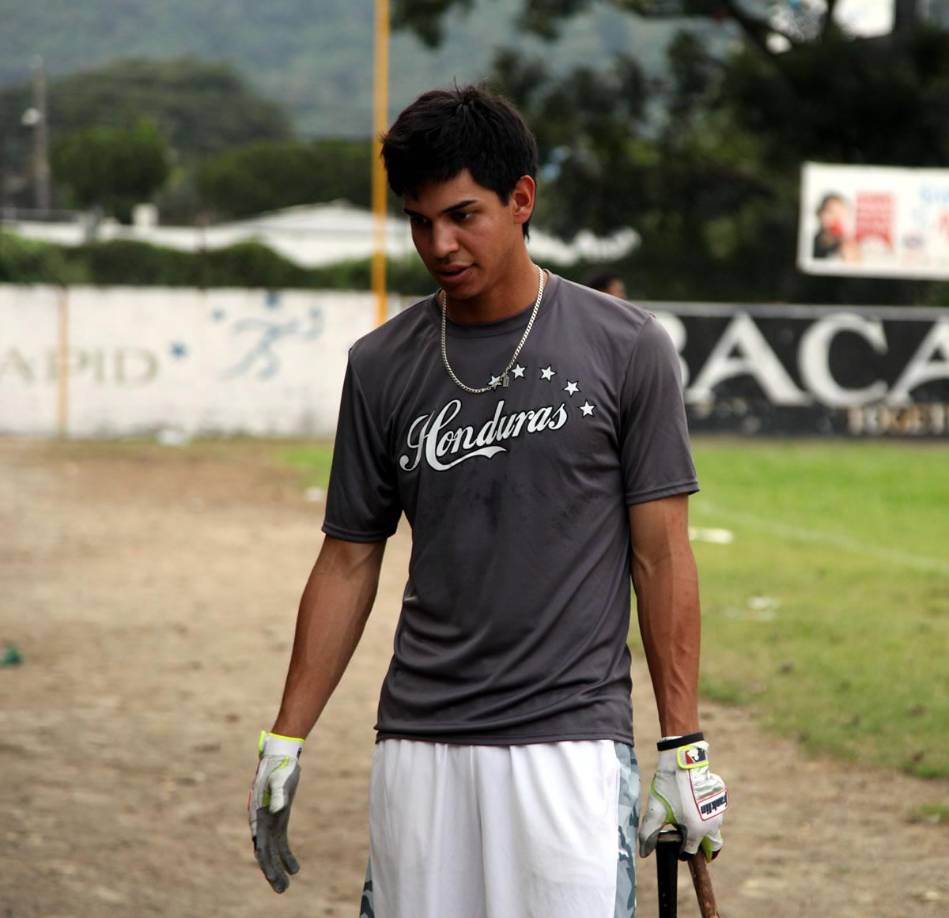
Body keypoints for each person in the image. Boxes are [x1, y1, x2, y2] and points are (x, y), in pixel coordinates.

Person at [247, 85, 727, 918]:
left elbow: (661, 554)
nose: (440, 242)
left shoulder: (626, 347)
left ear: (522, 199)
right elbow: (349, 555)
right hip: (416, 744)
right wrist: (286, 733)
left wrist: (681, 748)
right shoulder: (379, 365)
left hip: (568, 747)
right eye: (418, 220)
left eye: (463, 215)